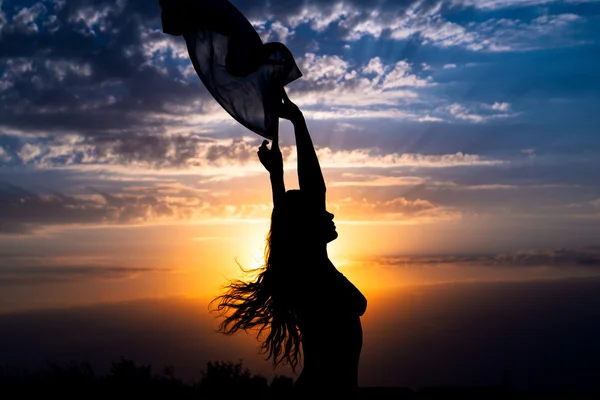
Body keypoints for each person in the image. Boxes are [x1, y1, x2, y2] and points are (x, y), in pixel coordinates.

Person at [211, 90, 367, 395]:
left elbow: (290, 218)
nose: (330, 213)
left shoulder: (306, 271)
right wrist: (297, 122)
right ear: (306, 228)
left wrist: (277, 177)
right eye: (320, 211)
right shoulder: (313, 271)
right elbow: (313, 190)